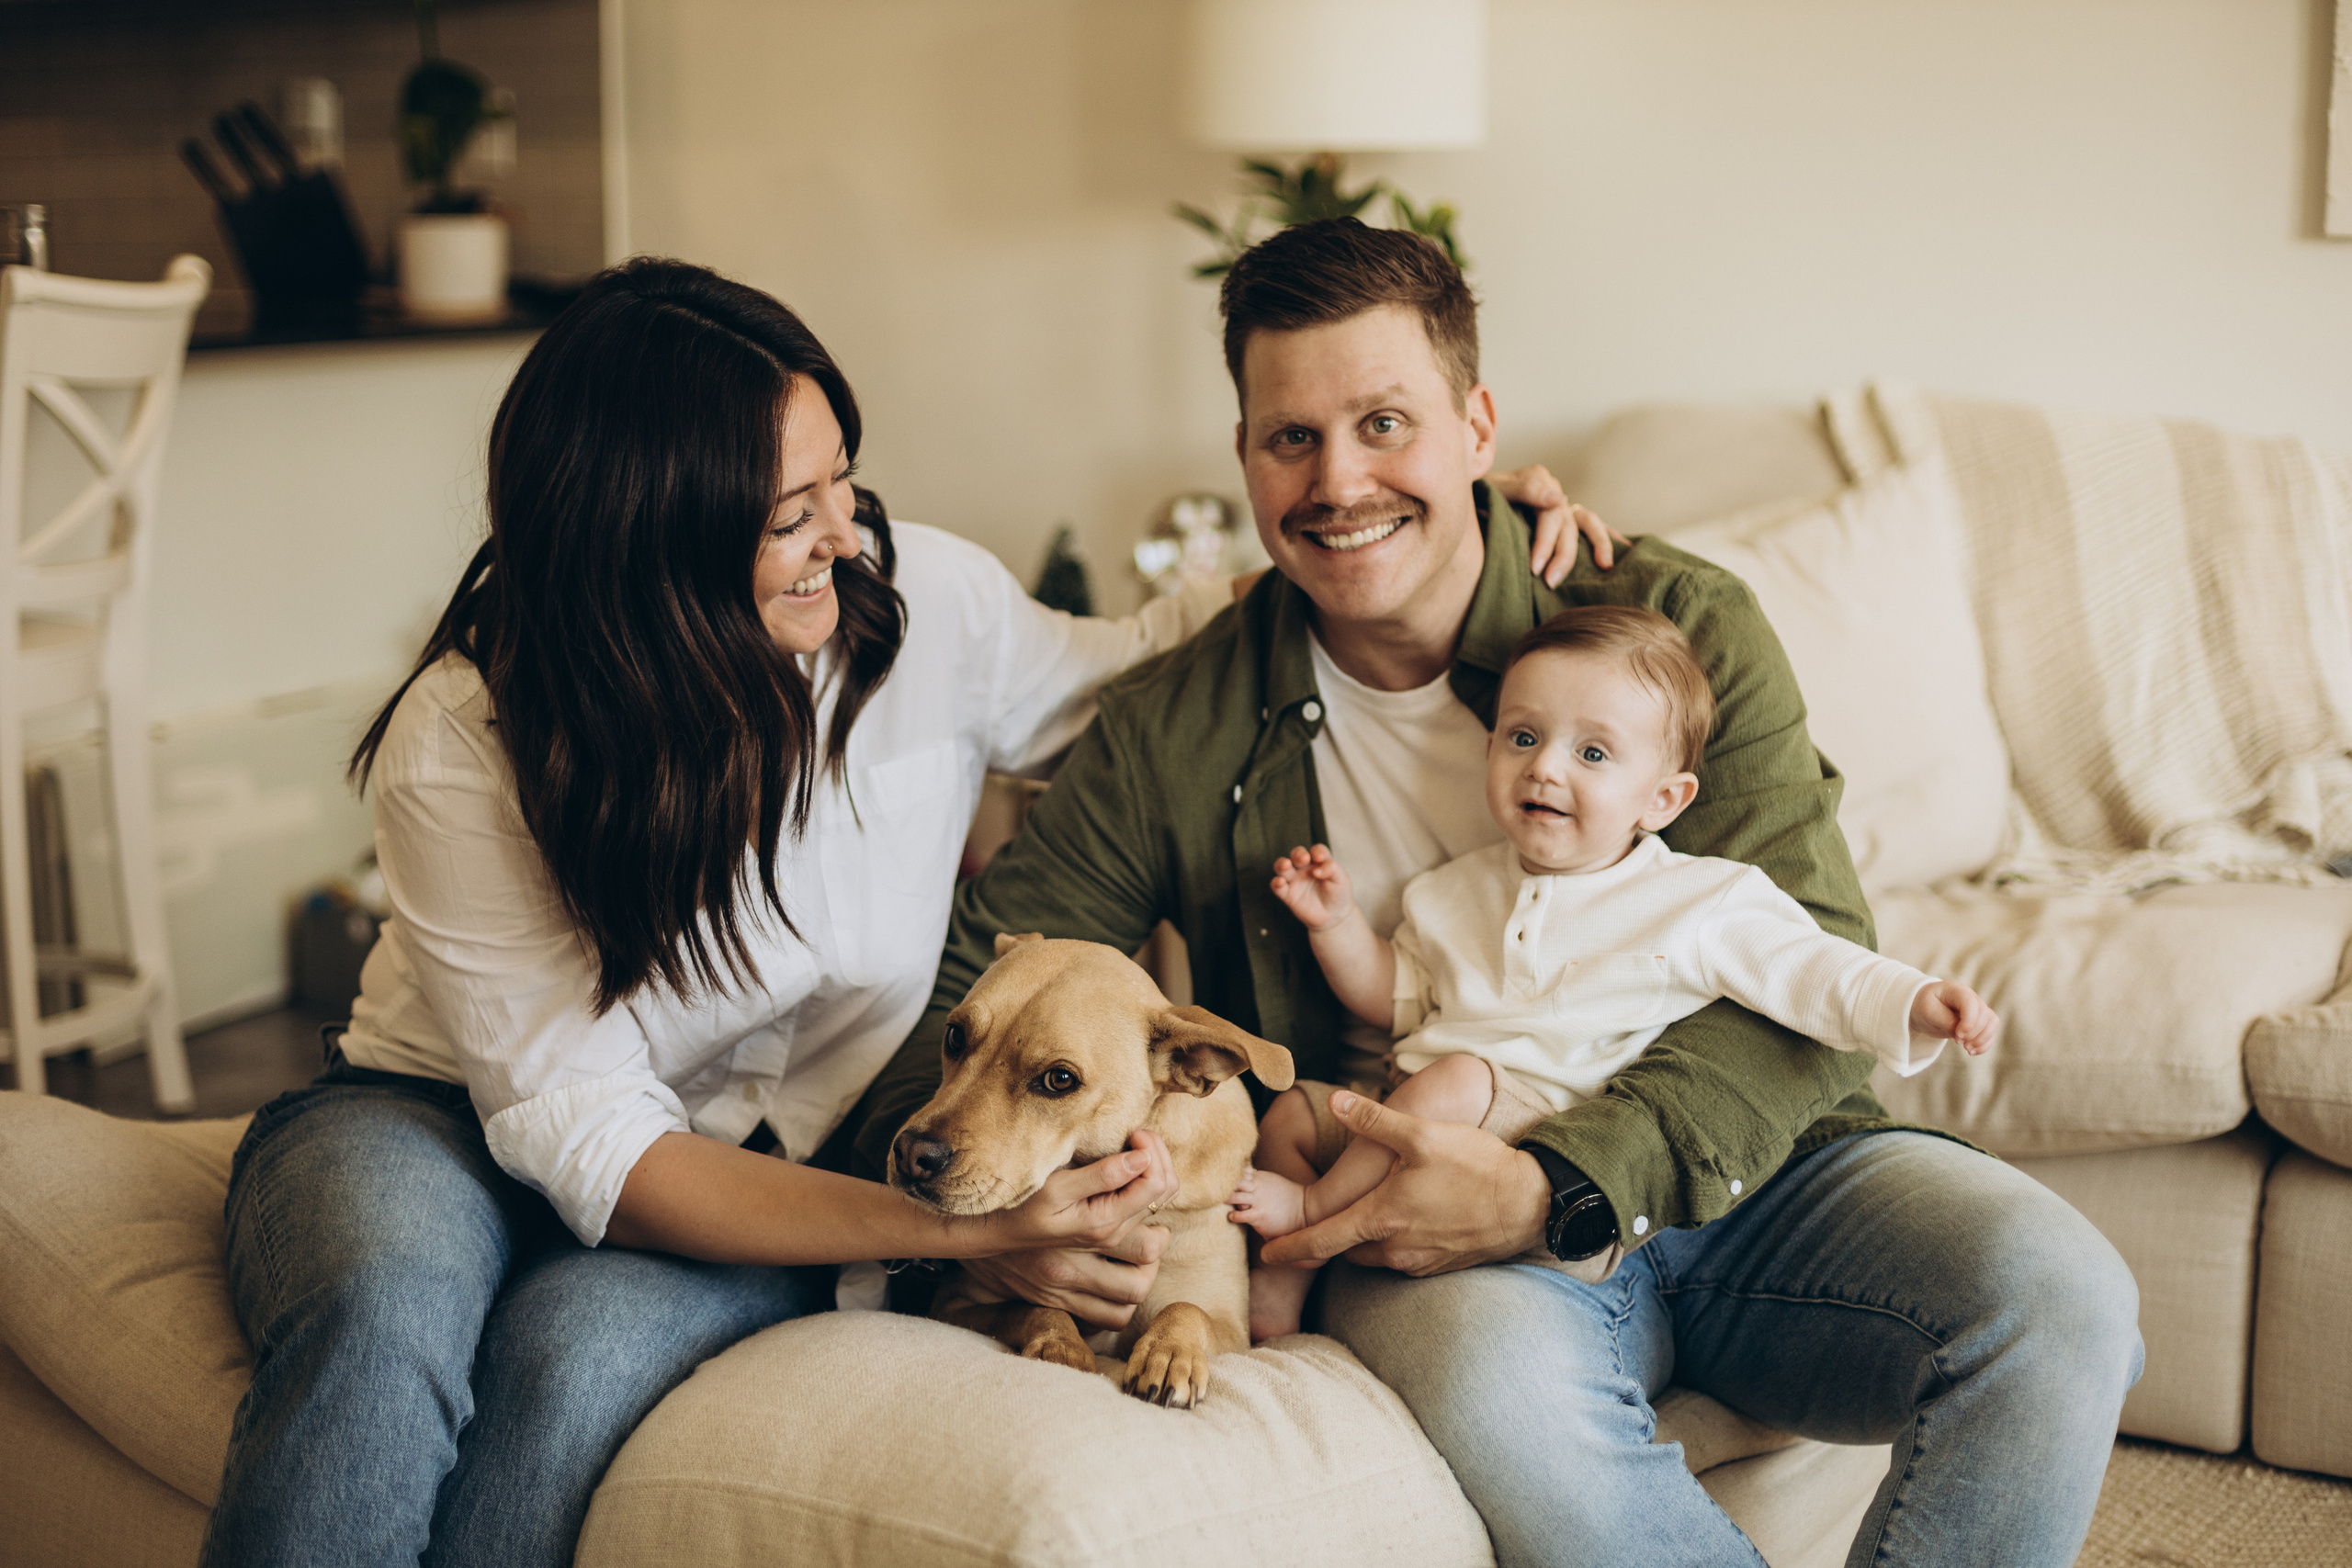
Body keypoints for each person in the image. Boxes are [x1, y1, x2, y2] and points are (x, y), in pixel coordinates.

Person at [198, 256, 1605, 1568]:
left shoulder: (921, 596)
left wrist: (1449, 522)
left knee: (568, 1364)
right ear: (647, 539)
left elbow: (1141, 659)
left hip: (756, 1157)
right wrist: (969, 1231)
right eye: (789, 514)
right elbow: (592, 1140)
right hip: (432, 1112)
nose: (845, 533)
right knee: (381, 1310)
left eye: (843, 481)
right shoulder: (468, 735)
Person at [849, 218, 2142, 1567]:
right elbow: (964, 1007)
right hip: (1416, 1224)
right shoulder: (1174, 727)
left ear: (1476, 426)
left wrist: (1554, 1183)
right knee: (1502, 1400)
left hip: (1756, 1174)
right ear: (1243, 456)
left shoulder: (1675, 625)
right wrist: (992, 1230)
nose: (1337, 480)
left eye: (1384, 423)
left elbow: (1810, 954)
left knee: (2061, 1295)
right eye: (1290, 437)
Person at [1229, 604, 1999, 1339]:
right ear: (1489, 748)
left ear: (1662, 799)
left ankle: (1312, 1212)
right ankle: (1276, 1301)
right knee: (1291, 1111)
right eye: (1523, 737)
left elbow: (1809, 968)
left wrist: (1914, 999)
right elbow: (1391, 995)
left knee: (1457, 1077)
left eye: (1592, 753)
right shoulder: (1451, 891)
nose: (1544, 768)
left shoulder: (1696, 900)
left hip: (1534, 1135)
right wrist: (1336, 925)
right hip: (1401, 1110)